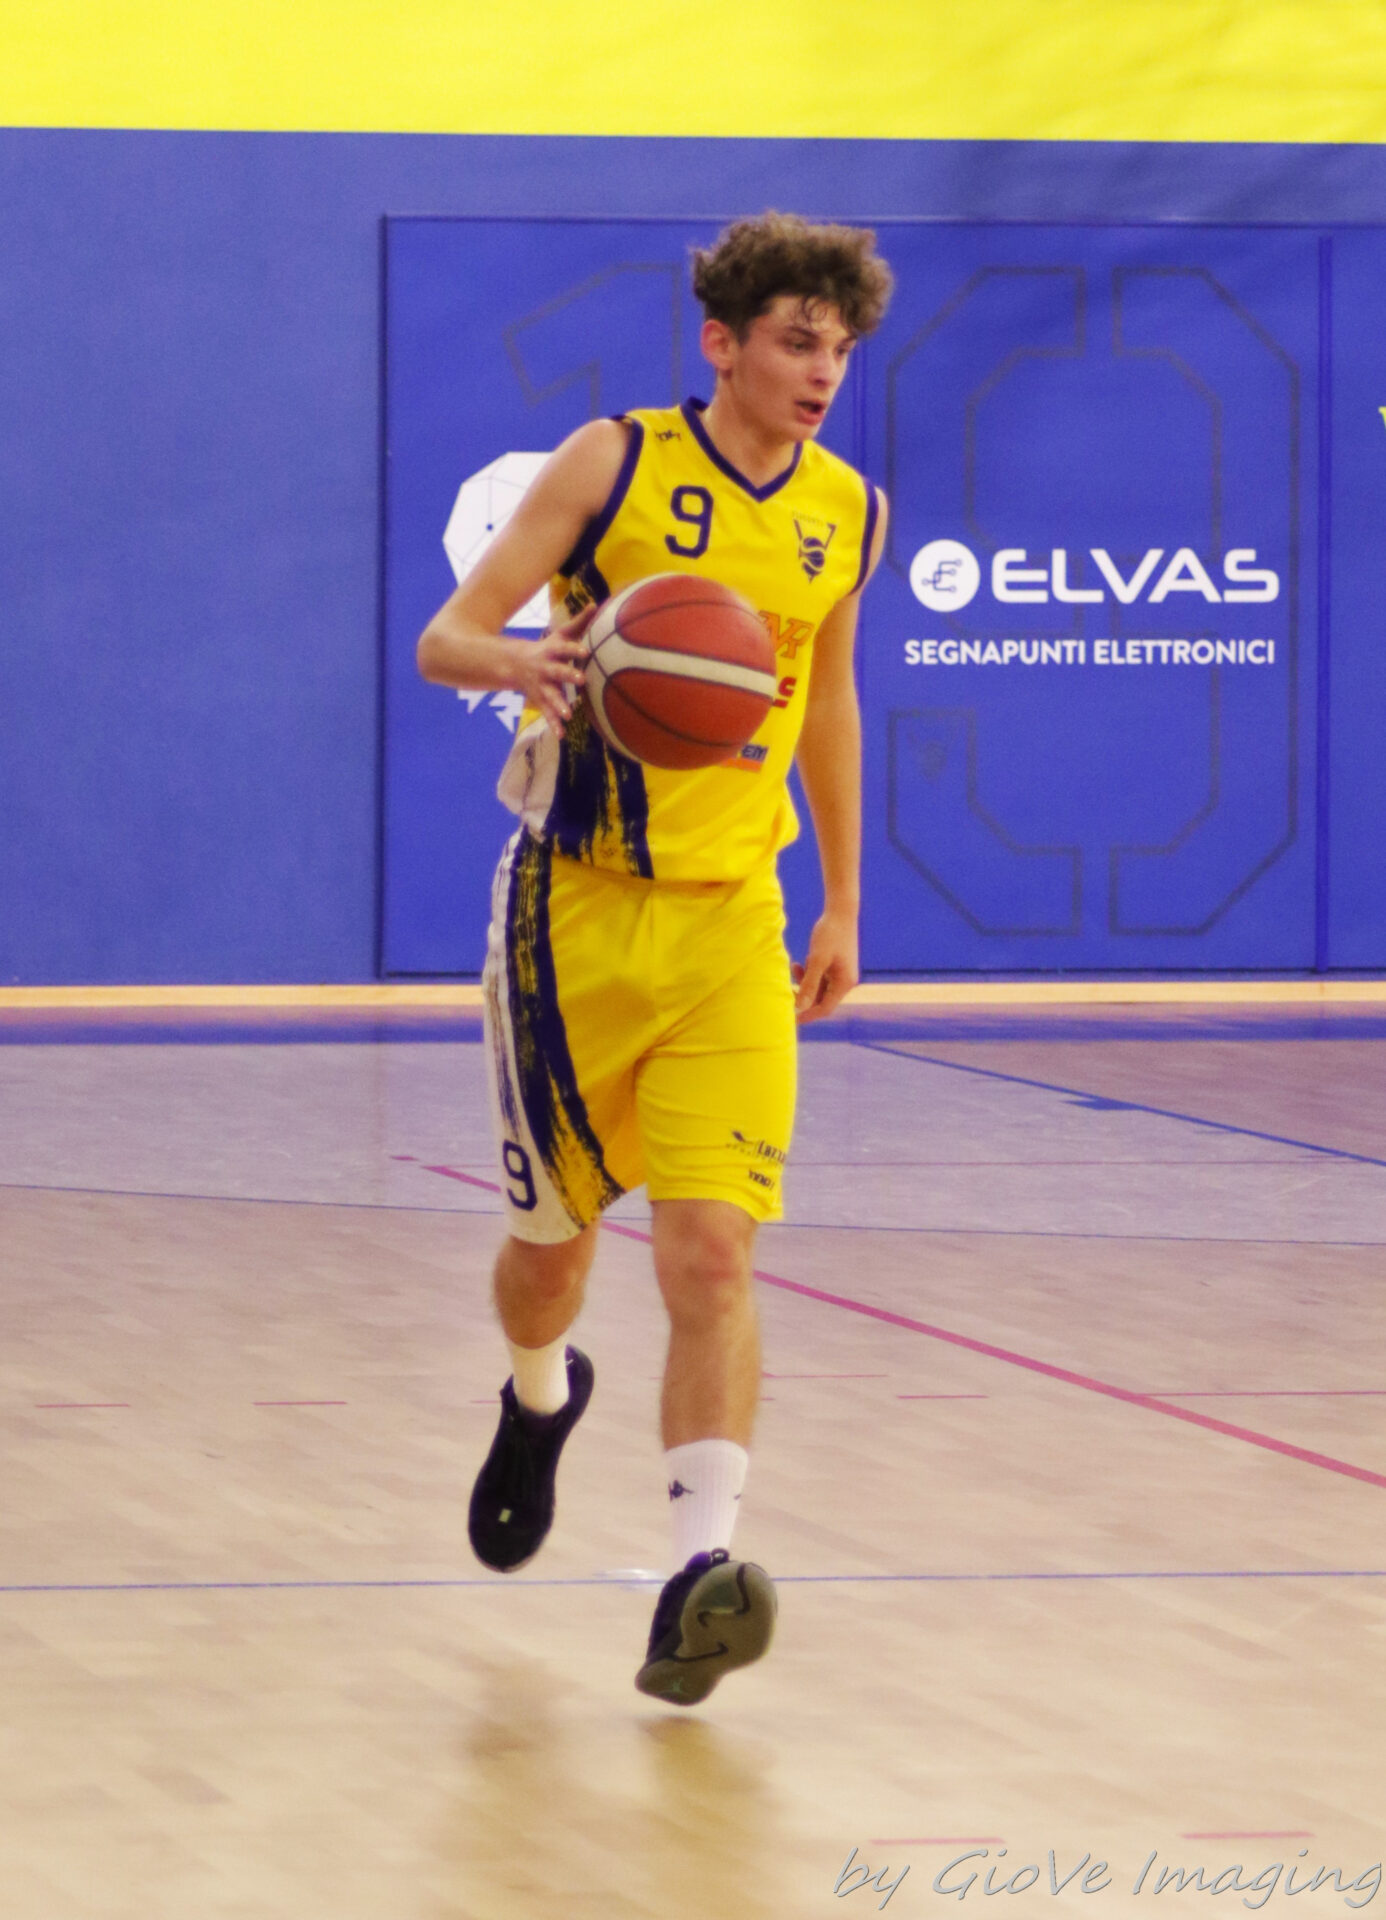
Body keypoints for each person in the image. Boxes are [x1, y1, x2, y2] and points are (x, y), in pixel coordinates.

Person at [417, 211, 892, 1705]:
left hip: (733, 920)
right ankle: (537, 1396)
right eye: (796, 342)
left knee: (711, 1252)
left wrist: (842, 903)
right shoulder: (611, 465)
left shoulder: (848, 510)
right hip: (570, 915)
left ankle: (702, 1573)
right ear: (722, 343)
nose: (821, 372)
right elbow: (446, 639)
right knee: (549, 1261)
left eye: (838, 349)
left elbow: (827, 703)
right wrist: (524, 658)